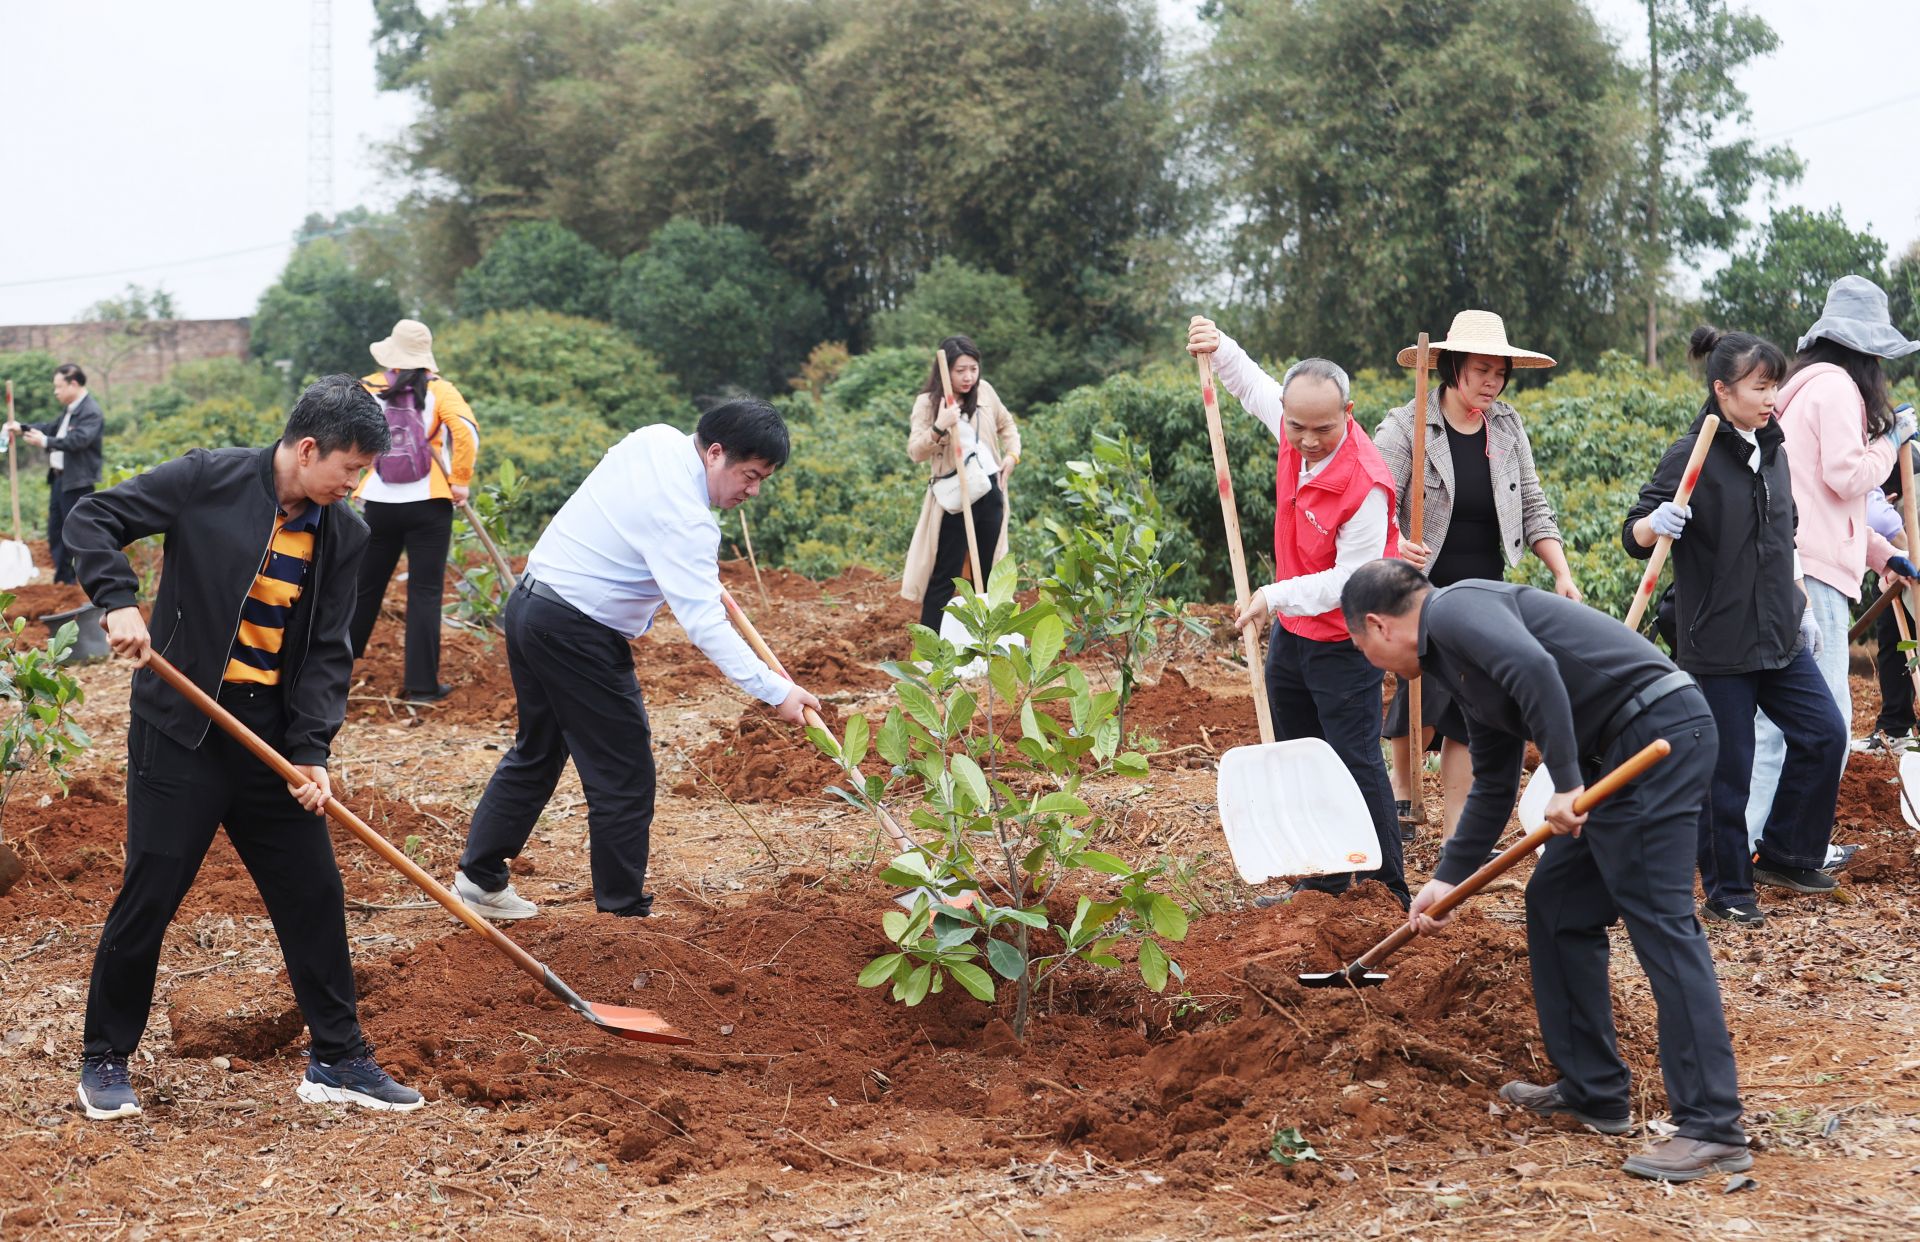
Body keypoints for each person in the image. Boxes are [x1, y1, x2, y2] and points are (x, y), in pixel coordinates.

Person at [63, 375, 422, 1120]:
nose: (353, 487)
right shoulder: (207, 479)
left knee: (314, 893)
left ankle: (338, 1058)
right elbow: (93, 518)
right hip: (182, 729)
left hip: (269, 740)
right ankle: (104, 1057)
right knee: (152, 891)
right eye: (349, 470)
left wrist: (313, 751)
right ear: (309, 447)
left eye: (362, 475)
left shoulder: (342, 534)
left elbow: (327, 653)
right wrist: (117, 599)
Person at [1342, 558, 1750, 1182]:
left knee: (1662, 926)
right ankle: (1594, 1089)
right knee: (1557, 906)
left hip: (1652, 737)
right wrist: (1447, 879)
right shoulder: (1457, 662)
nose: (1371, 664)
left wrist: (1565, 781)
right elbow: (1495, 779)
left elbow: (1536, 669)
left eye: (1360, 647)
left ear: (1378, 626)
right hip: (1615, 750)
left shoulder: (1456, 608)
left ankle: (1713, 1126)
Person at [453, 399, 820, 921]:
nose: (753, 490)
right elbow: (705, 628)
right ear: (715, 454)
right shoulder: (688, 521)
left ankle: (480, 879)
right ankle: (622, 916)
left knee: (538, 749)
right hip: (575, 630)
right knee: (624, 774)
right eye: (750, 475)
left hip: (531, 602)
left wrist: (690, 572)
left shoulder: (654, 438)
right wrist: (777, 691)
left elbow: (629, 518)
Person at [1624, 327, 1844, 926]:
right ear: (1722, 390)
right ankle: (1728, 890)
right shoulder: (1692, 452)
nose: (1771, 398)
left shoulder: (1771, 447)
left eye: (1774, 386)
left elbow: (1785, 530)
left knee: (1825, 734)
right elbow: (1634, 531)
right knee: (1728, 770)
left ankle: (1786, 853)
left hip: (1778, 631)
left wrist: (1799, 602)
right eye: (1760, 386)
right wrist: (1656, 525)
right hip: (1717, 639)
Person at [1187, 316, 1408, 909]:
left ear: (1349, 413)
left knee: (1354, 755)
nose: (1307, 440)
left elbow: (1349, 582)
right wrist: (1219, 343)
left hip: (1348, 635)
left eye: (1322, 429)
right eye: (1297, 426)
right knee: (1300, 747)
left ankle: (1386, 885)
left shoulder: (1367, 483)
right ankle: (1325, 877)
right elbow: (1251, 384)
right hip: (1293, 631)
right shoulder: (1291, 425)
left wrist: (1272, 595)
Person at [1374, 311, 1580, 843]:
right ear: (1453, 368)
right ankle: (1402, 796)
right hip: (1422, 580)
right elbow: (1375, 498)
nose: (1492, 382)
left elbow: (1533, 504)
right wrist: (1396, 543)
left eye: (1500, 373)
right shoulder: (1409, 423)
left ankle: (1457, 828)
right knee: (1422, 685)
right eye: (1482, 370)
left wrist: (1560, 570)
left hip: (1484, 583)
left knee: (1473, 698)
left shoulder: (1507, 427)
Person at [1745, 276, 1920, 857]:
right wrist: (1891, 437)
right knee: (1826, 720)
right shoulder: (1839, 389)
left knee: (1784, 719)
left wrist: (1885, 555)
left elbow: (1827, 504)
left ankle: (1758, 839)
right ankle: (1790, 844)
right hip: (1811, 575)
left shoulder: (1801, 385)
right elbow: (1849, 476)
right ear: (1866, 351)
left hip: (1792, 561)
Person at [347, 319, 480, 703]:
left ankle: (336, 672)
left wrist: (354, 479)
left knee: (365, 587)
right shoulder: (441, 390)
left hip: (380, 501)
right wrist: (460, 479)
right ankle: (421, 687)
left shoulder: (368, 387)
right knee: (425, 592)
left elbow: (344, 430)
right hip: (430, 502)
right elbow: (466, 431)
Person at [902, 336, 1022, 631]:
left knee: (986, 572)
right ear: (946, 371)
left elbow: (1007, 425)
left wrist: (1012, 456)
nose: (968, 377)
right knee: (946, 573)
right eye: (960, 370)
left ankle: (983, 642)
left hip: (990, 491)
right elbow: (915, 451)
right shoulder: (928, 403)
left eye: (973, 369)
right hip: (954, 497)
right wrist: (940, 425)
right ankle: (931, 650)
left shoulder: (986, 394)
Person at [4, 362, 105, 584]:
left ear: (74, 384)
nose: (55, 392)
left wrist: (45, 441)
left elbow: (79, 441)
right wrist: (24, 428)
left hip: (77, 482)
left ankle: (83, 580)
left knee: (75, 531)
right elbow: (51, 429)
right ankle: (62, 579)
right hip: (60, 480)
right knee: (56, 531)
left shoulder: (90, 412)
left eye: (59, 387)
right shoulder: (70, 411)